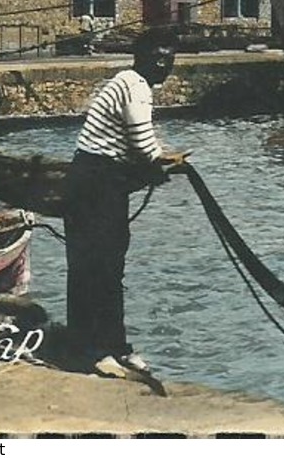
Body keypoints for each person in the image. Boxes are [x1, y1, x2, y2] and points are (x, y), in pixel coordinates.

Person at [62, 28, 186, 378]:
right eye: (158, 57)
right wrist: (169, 162)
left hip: (101, 181)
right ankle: (92, 352)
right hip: (95, 183)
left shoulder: (129, 81)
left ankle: (114, 346)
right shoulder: (135, 85)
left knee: (108, 268)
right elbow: (145, 147)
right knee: (95, 269)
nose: (164, 64)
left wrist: (162, 159)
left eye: (169, 59)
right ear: (141, 57)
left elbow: (140, 145)